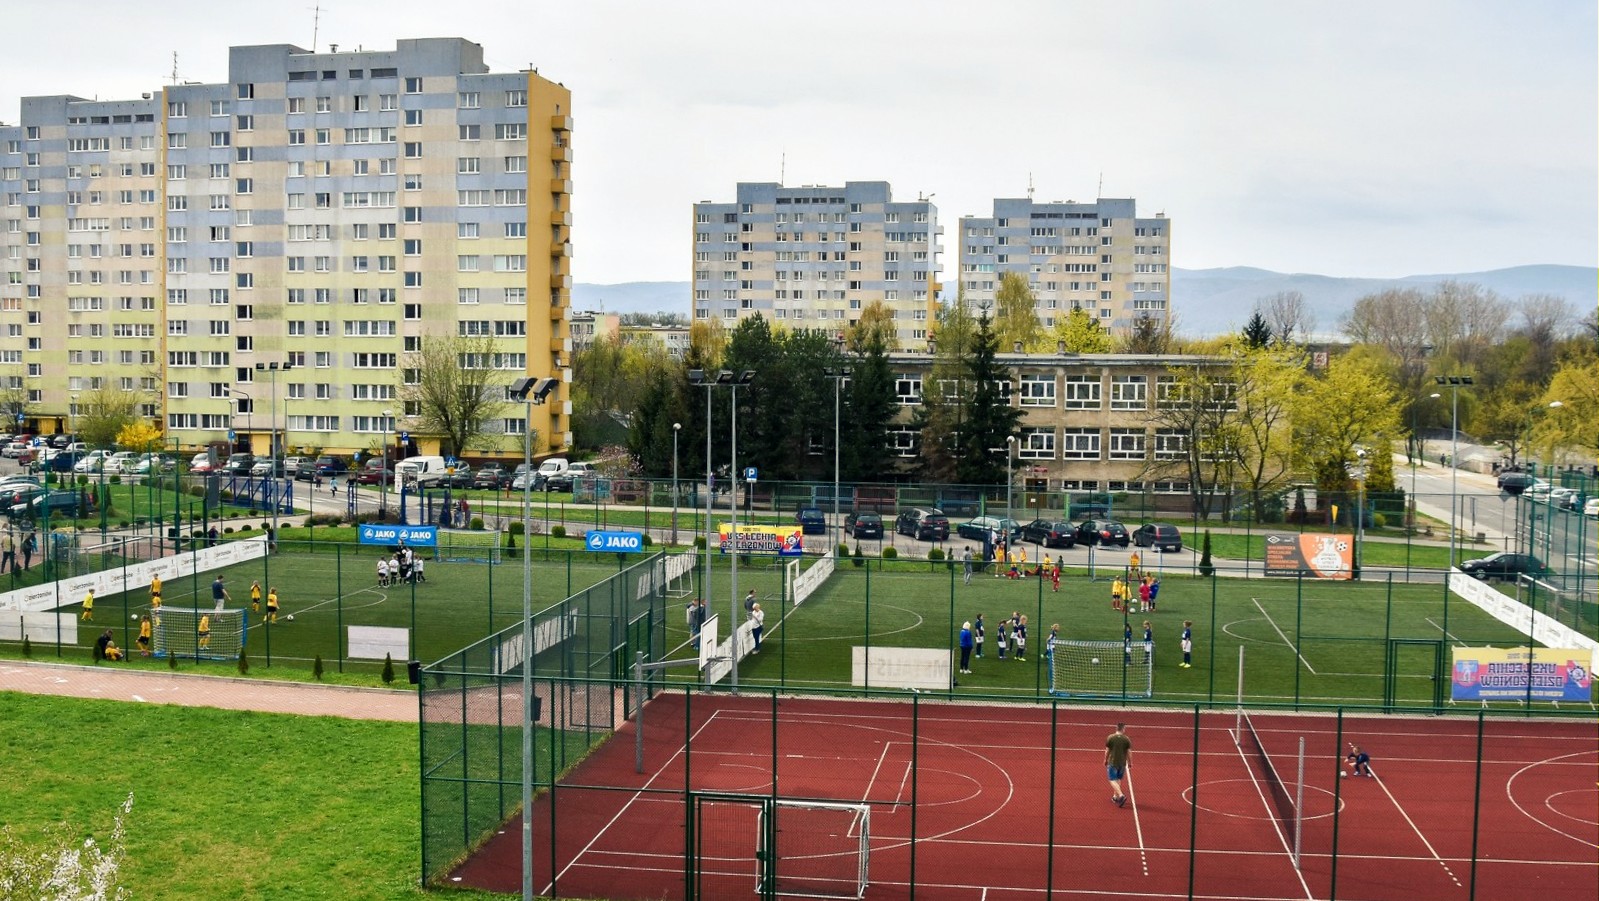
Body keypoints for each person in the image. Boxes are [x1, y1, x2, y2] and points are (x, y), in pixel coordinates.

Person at [1105, 723, 1132, 807]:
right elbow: (1129, 752)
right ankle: (1115, 797)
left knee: (1112, 779)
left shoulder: (1110, 737)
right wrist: (1130, 762)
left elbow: (1107, 750)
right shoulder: (1126, 739)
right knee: (1118, 778)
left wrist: (1105, 759)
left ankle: (1120, 795)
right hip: (1122, 763)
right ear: (1123, 729)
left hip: (1113, 762)